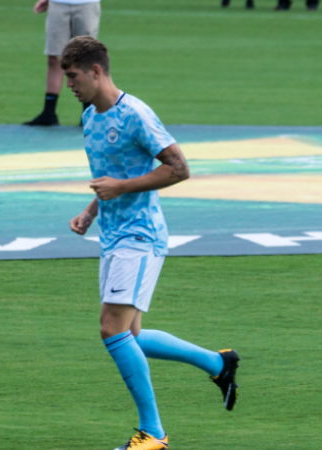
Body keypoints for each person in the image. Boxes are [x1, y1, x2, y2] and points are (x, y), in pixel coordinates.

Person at [63, 36, 241, 450]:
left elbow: (179, 168)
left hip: (140, 236)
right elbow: (113, 174)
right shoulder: (90, 116)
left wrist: (120, 188)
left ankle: (154, 434)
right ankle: (218, 363)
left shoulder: (136, 114)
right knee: (131, 335)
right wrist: (91, 211)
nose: (68, 84)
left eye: (72, 76)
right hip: (113, 236)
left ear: (95, 71)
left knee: (111, 329)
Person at [25, 0, 101, 126]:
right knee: (54, 57)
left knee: (85, 58)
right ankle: (49, 113)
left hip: (87, 3)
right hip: (58, 3)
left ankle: (88, 113)